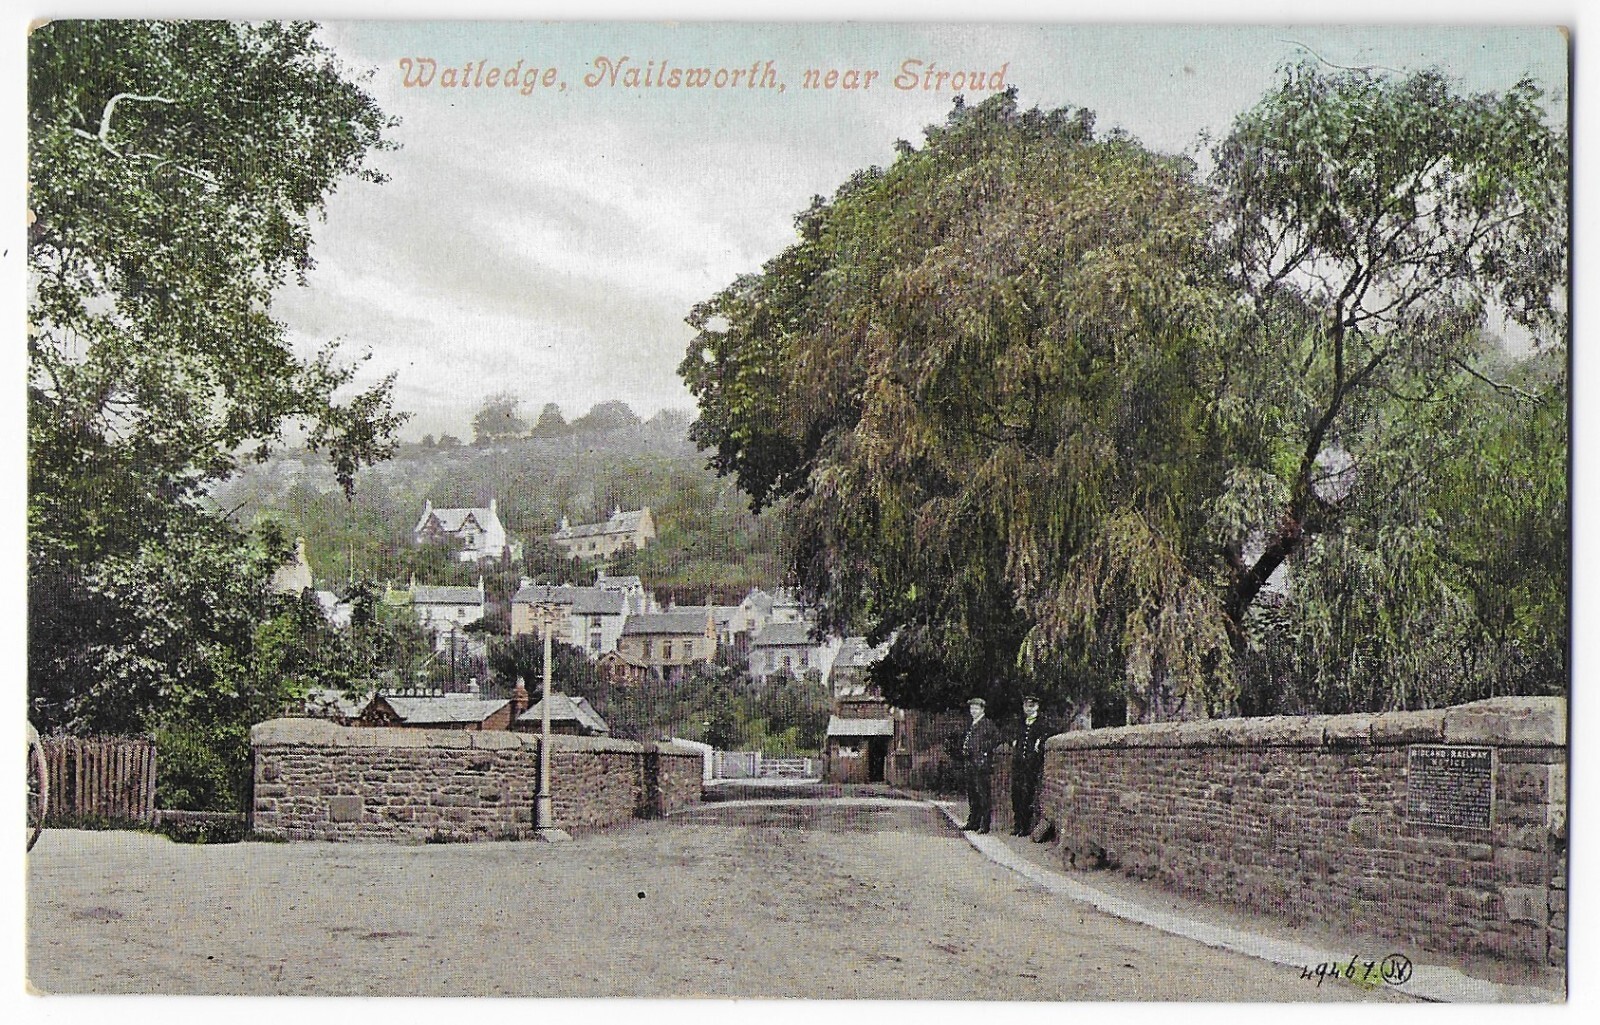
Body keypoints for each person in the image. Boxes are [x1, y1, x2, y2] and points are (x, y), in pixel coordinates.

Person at [959, 696, 1002, 833]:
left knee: (982, 794)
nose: (973, 711)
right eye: (972, 708)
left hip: (981, 764)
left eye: (976, 708)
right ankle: (973, 822)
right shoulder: (972, 724)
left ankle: (984, 824)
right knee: (972, 794)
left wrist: (983, 751)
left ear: (982, 709)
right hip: (970, 763)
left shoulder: (987, 724)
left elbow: (997, 739)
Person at [1010, 694, 1051, 835]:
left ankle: (1025, 826)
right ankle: (1017, 825)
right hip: (1019, 764)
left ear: (1037, 707)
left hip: (1031, 764)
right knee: (1016, 793)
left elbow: (1050, 734)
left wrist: (1040, 741)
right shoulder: (1021, 723)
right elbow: (1012, 735)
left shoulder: (1042, 722)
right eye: (1026, 706)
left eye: (1031, 706)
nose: (1028, 708)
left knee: (1028, 794)